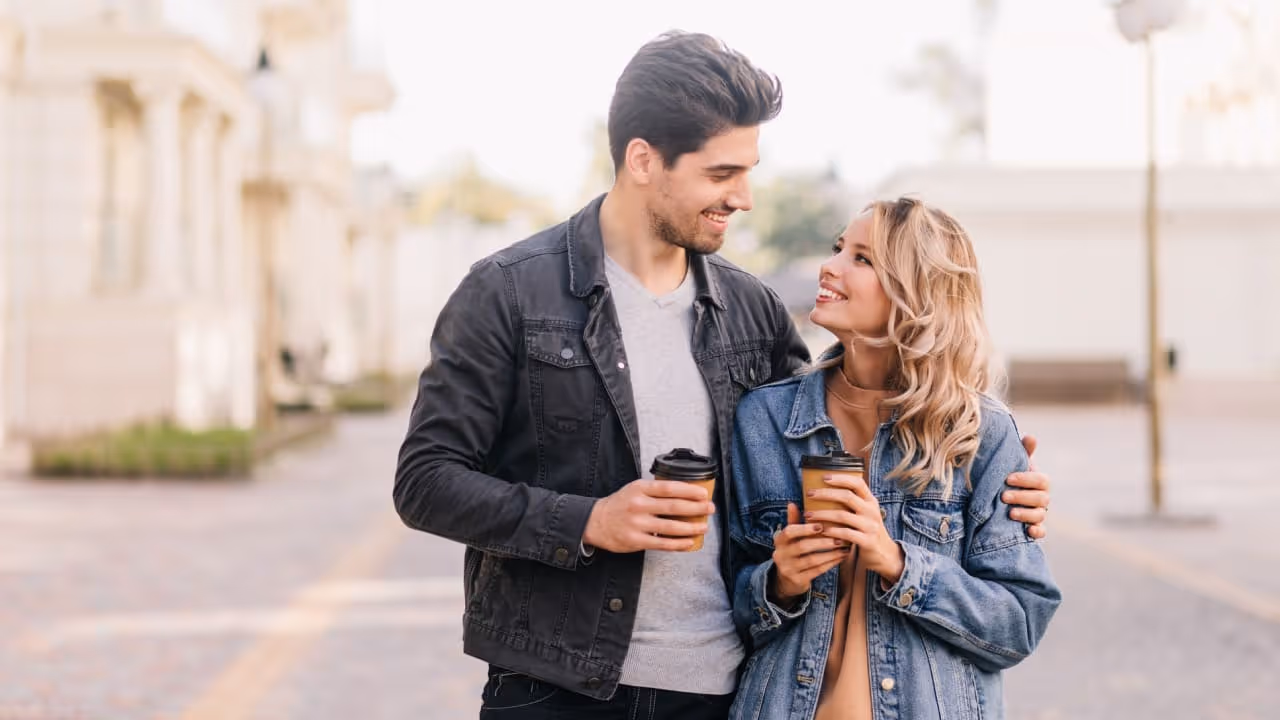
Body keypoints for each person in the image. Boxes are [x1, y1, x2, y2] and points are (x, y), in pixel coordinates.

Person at [394, 32, 1052, 720]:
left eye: (749, 172)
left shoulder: (752, 311)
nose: (744, 198)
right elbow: (425, 481)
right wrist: (593, 521)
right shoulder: (509, 293)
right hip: (553, 686)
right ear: (644, 160)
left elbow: (833, 442)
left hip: (718, 690)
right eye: (721, 174)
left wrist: (1001, 489)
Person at [727, 197, 1062, 720]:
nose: (829, 265)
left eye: (862, 258)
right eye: (839, 248)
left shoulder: (980, 434)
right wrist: (779, 583)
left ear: (917, 294)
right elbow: (729, 606)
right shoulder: (764, 419)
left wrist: (898, 562)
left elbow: (1018, 623)